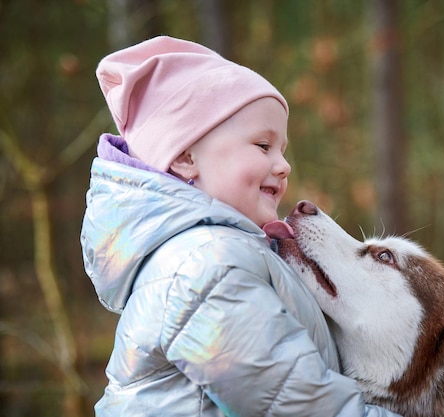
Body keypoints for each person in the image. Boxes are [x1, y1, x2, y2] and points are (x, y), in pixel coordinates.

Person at [80, 35, 401, 417]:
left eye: (282, 149)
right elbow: (291, 403)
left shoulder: (218, 253)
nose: (284, 165)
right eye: (263, 146)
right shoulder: (203, 266)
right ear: (185, 158)